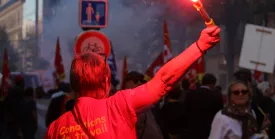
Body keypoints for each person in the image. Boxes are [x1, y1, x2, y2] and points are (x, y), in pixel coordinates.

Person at [45, 26, 220, 139]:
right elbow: (164, 80)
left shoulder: (56, 129)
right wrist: (200, 46)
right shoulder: (120, 105)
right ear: (106, 80)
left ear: (74, 84)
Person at [123, 71, 164, 139]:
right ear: (126, 84)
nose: (139, 83)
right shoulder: (124, 103)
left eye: (141, 80)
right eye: (136, 80)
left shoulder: (146, 102)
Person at [183, 73, 223, 139]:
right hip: (209, 131)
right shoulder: (216, 96)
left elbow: (185, 112)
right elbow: (219, 115)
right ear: (212, 84)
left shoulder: (190, 94)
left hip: (192, 131)